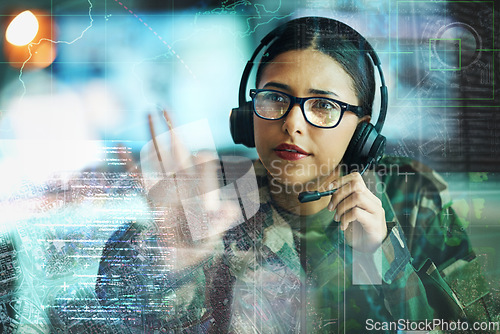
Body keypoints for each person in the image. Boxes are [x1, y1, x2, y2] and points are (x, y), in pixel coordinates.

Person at [95, 17, 496, 333]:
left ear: (363, 130)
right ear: (248, 114)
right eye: (275, 97)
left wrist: (381, 257)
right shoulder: (214, 195)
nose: (292, 123)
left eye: (323, 105)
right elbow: (117, 310)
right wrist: (175, 256)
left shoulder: (411, 197)